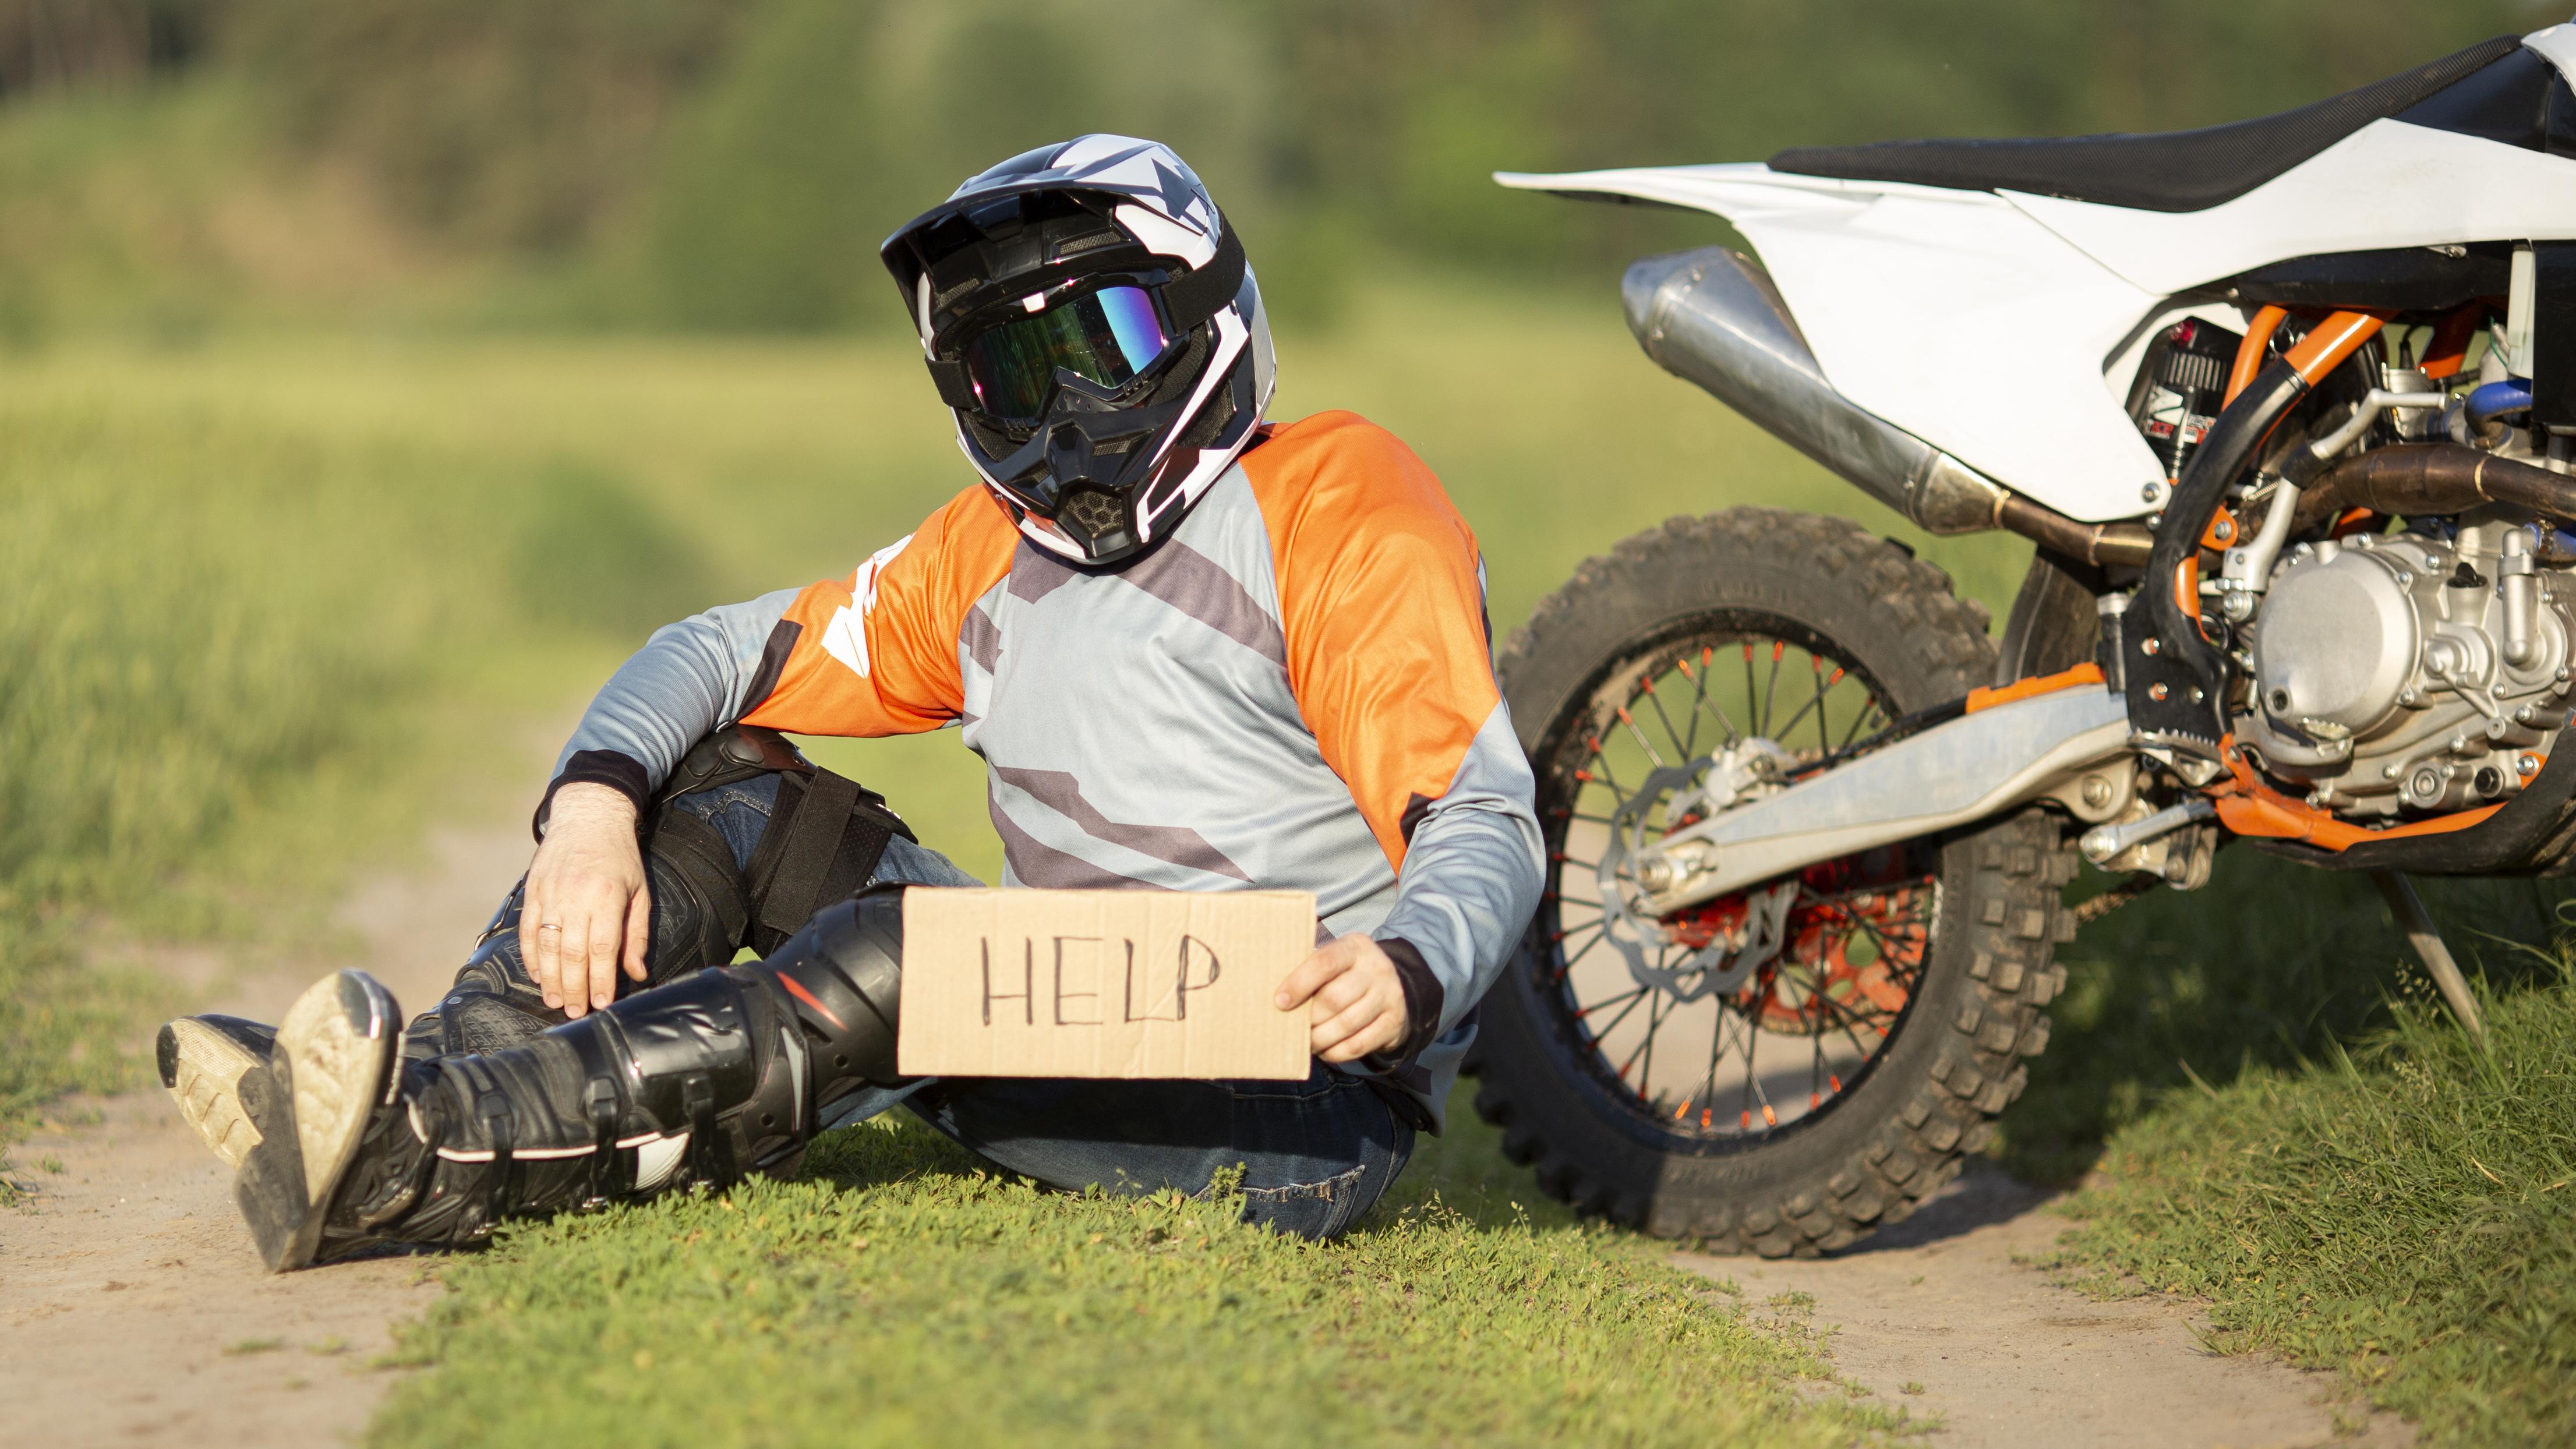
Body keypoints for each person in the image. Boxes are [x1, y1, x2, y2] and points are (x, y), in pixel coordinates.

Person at [156, 136, 1542, 1271]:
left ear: (1203, 318)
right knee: (711, 782)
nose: (1060, 410)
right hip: (1065, 1005)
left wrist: (1407, 966)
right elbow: (718, 646)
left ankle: (425, 1152)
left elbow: (1481, 813)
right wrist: (588, 812)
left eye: (1105, 343)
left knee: (902, 954)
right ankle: (390, 1096)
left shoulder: (1342, 499)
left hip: (1295, 1090)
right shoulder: (984, 552)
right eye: (1012, 369)